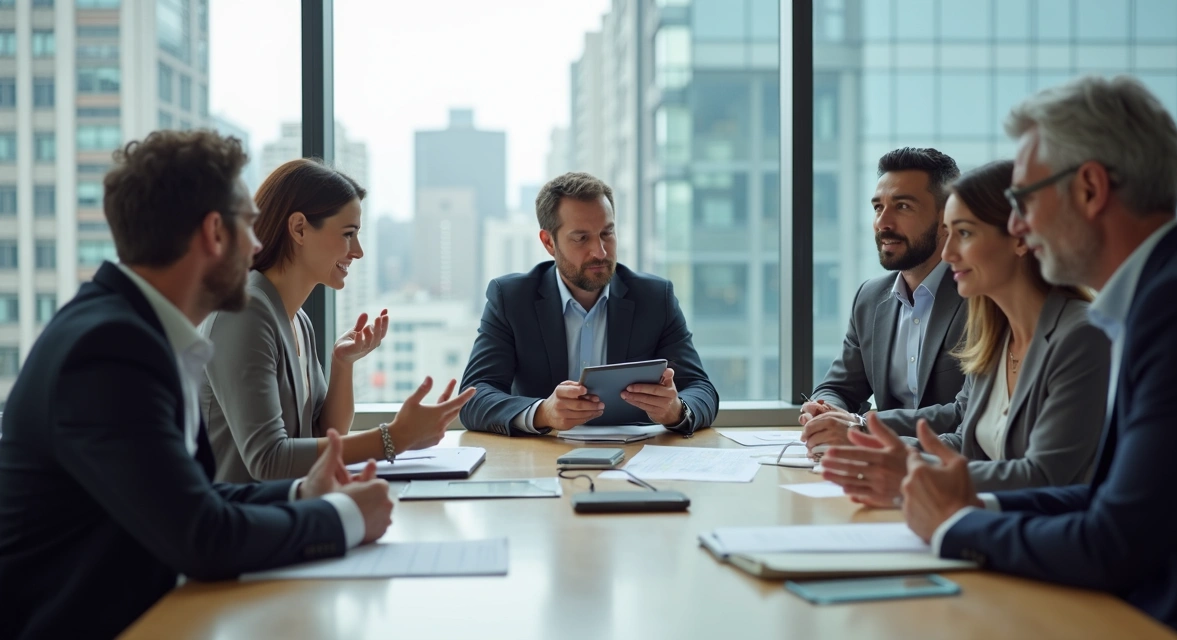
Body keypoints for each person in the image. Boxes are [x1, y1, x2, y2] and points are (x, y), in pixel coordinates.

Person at [0, 130, 394, 640]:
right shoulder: (106, 349)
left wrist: (302, 492)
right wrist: (342, 518)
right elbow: (201, 536)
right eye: (248, 225)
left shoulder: (134, 331)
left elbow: (192, 496)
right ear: (214, 233)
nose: (257, 245)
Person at [897, 76, 1177, 638]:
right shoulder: (1168, 289)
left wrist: (956, 526)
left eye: (1023, 200)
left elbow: (1115, 542)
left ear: (1089, 189)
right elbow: (1108, 498)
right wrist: (975, 506)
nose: (1017, 225)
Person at [819, 160, 1109, 505]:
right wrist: (873, 448)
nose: (948, 252)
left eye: (965, 233)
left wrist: (906, 467)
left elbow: (1044, 475)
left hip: (1039, 530)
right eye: (948, 231)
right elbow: (964, 440)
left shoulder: (1081, 336)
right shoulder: (995, 333)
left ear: (1020, 239)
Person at [201, 159, 474, 483]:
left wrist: (342, 365)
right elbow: (269, 460)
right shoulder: (243, 313)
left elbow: (325, 436)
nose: (357, 251)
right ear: (299, 228)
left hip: (290, 505)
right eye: (348, 234)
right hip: (242, 511)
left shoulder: (297, 320)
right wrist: (396, 437)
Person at [459, 172, 718, 436]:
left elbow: (701, 390)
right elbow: (473, 398)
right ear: (549, 242)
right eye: (581, 238)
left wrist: (676, 410)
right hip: (545, 452)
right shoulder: (512, 299)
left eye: (607, 233)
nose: (600, 251)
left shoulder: (654, 298)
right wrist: (543, 413)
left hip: (635, 453)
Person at [801, 148, 968, 449]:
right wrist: (824, 410)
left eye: (902, 206)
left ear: (946, 218)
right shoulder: (870, 298)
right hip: (876, 464)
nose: (883, 223)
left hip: (949, 463)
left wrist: (862, 426)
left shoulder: (979, 298)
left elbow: (967, 413)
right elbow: (838, 387)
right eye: (878, 207)